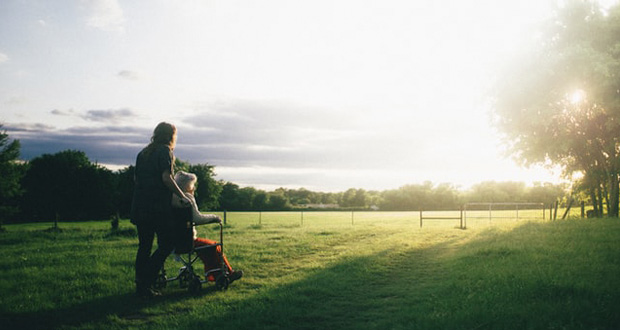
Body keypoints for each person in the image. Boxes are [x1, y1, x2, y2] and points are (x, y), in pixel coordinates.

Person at [130, 122, 191, 298]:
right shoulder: (165, 151)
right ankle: (146, 281)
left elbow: (137, 179)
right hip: (156, 208)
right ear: (170, 135)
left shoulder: (143, 153)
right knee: (167, 244)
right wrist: (182, 196)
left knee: (145, 247)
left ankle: (140, 286)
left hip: (140, 206)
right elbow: (166, 178)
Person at [172, 171, 243, 283]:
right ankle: (225, 273)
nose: (194, 187)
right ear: (186, 185)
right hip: (187, 240)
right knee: (213, 246)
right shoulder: (187, 198)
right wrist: (214, 217)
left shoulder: (170, 198)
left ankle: (222, 273)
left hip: (171, 241)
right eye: (192, 184)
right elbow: (198, 219)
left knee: (208, 246)